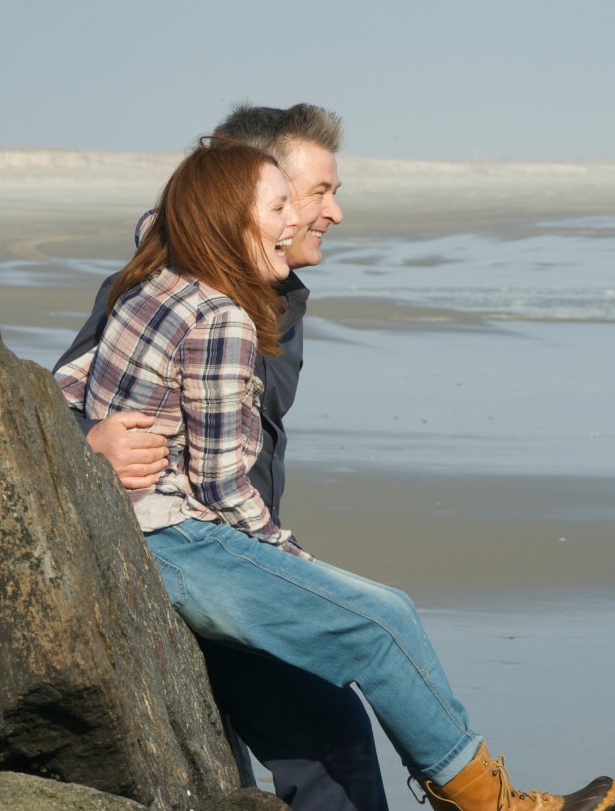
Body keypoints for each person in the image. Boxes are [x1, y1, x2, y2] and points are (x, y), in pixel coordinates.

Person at [55, 140, 615, 811]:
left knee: (336, 713)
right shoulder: (220, 315)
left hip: (143, 532)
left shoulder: (147, 279)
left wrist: (92, 440)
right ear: (228, 218)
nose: (296, 220)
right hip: (178, 542)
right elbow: (223, 490)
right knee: (384, 619)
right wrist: (296, 563)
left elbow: (65, 385)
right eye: (280, 206)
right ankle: (490, 804)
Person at [55, 104, 390, 811]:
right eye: (317, 192)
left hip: (238, 551)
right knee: (332, 734)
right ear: (254, 197)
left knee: (325, 734)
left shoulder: (280, 294)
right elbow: (56, 395)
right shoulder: (161, 286)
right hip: (189, 557)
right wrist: (90, 441)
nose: (333, 212)